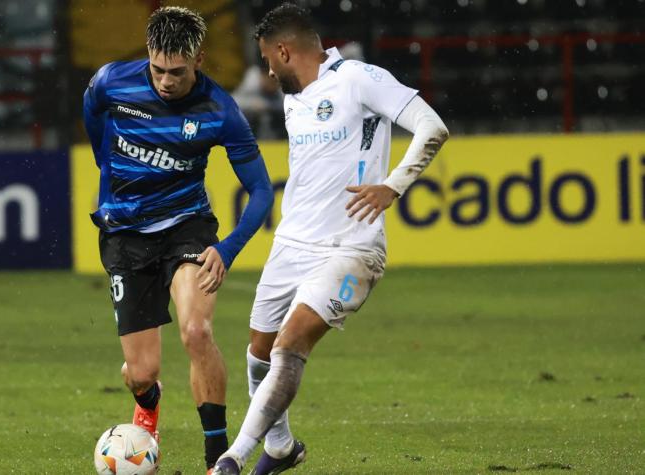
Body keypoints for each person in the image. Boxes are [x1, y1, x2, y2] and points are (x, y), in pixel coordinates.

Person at [212, 4, 449, 474]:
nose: (267, 70)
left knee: (290, 343)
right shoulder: (293, 96)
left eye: (267, 59)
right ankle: (279, 449)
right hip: (291, 244)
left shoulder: (359, 78)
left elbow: (432, 127)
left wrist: (393, 185)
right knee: (258, 353)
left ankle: (232, 460)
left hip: (351, 250)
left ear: (284, 50)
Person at [82, 6, 274, 473]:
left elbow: (263, 191)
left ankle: (218, 459)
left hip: (186, 227)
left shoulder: (219, 110)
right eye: (158, 69)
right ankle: (148, 403)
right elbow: (92, 117)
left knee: (196, 331)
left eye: (177, 71)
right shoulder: (110, 82)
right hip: (125, 234)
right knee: (140, 373)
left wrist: (226, 249)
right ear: (148, 55)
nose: (166, 81)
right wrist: (107, 170)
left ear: (199, 60)